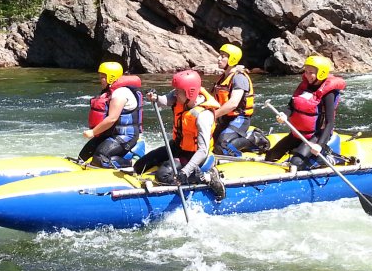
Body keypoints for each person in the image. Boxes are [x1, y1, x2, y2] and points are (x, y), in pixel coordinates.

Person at [132, 69, 227, 201]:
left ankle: (207, 177)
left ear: (190, 92)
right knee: (139, 166)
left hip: (194, 155)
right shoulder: (180, 96)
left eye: (178, 91)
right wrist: (155, 98)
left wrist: (185, 172)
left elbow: (203, 150)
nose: (175, 93)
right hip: (178, 147)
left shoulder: (203, 116)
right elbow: (165, 100)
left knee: (164, 175)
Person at [264, 54, 347, 174]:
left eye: (311, 72)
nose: (307, 75)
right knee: (271, 156)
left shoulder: (329, 93)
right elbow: (291, 106)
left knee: (296, 163)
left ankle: (328, 158)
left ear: (322, 73)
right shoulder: (304, 85)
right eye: (306, 71)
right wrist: (285, 115)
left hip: (317, 135)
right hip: (298, 134)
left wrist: (320, 144)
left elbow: (330, 122)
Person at [79, 61, 145, 167]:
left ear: (111, 77)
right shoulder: (110, 91)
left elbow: (112, 119)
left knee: (99, 159)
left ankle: (132, 163)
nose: (100, 80)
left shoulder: (121, 93)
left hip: (126, 136)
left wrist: (93, 132)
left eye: (103, 77)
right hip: (112, 134)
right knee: (82, 157)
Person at [211, 42, 255, 156]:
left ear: (232, 59)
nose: (218, 58)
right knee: (208, 143)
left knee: (222, 146)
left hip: (239, 119)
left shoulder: (239, 78)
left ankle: (253, 139)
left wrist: (213, 115)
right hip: (224, 119)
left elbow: (233, 104)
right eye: (219, 55)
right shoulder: (221, 79)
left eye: (223, 56)